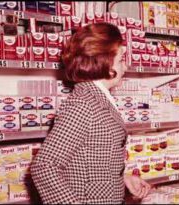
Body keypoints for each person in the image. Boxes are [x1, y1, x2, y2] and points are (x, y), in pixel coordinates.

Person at [30, 22, 151, 204]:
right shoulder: (82, 103)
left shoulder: (97, 97)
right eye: (120, 60)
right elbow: (44, 166)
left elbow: (90, 156)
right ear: (103, 64)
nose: (125, 67)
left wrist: (121, 179)